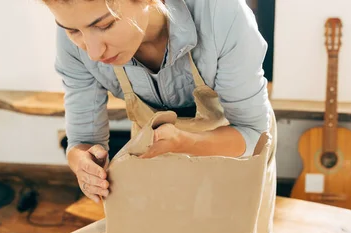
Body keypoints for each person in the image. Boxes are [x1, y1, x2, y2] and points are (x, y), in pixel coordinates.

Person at [43, 0, 276, 203]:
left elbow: (253, 134)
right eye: (72, 31)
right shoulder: (74, 38)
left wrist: (184, 142)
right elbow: (83, 140)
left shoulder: (219, 12)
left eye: (105, 25)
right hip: (152, 156)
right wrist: (83, 164)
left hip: (236, 153)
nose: (93, 53)